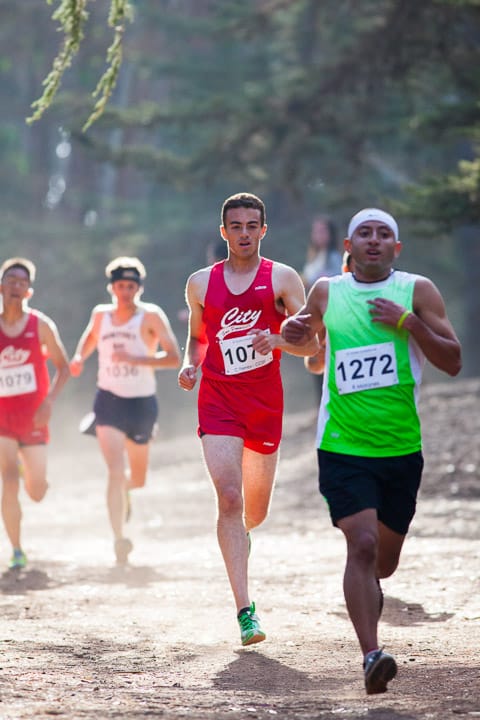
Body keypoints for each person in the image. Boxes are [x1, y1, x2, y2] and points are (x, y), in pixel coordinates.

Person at [282, 208, 462, 694]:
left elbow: (453, 360)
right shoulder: (327, 291)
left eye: (385, 235)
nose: (375, 241)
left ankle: (372, 588)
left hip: (401, 447)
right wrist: (293, 336)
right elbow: (307, 345)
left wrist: (407, 323)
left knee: (384, 561)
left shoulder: (416, 291)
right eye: (366, 233)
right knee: (360, 545)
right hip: (342, 443)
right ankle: (371, 656)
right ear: (349, 245)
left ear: (396, 249)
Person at [178, 192, 318, 647]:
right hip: (217, 399)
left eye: (251, 225)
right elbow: (198, 337)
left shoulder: (282, 278)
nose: (243, 233)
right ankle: (245, 610)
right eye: (235, 226)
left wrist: (276, 339)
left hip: (263, 405)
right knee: (230, 498)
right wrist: (190, 364)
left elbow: (311, 344)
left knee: (253, 512)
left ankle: (242, 536)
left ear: (263, 229)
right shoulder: (200, 282)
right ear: (224, 232)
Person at [70, 257, 181, 565]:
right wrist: (80, 357)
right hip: (108, 401)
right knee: (115, 472)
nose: (125, 292)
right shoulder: (100, 315)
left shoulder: (150, 316)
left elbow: (173, 358)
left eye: (131, 287)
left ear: (139, 288)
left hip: (142, 404)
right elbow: (91, 337)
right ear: (112, 287)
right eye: (120, 286)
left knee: (138, 478)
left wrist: (138, 359)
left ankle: (126, 493)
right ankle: (119, 539)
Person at [0, 257, 70, 569]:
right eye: (11, 281)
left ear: (29, 291)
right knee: (8, 479)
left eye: (22, 283)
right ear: (2, 287)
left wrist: (49, 402)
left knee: (37, 491)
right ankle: (16, 549)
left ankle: (33, 474)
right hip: (3, 419)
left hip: (33, 417)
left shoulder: (39, 325)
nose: (16, 287)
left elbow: (64, 368)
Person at [301, 216, 341, 402]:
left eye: (322, 231)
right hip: (316, 319)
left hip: (331, 318)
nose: (318, 235)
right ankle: (321, 404)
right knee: (315, 360)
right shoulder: (313, 258)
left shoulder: (334, 258)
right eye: (315, 231)